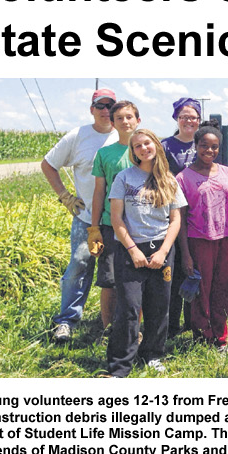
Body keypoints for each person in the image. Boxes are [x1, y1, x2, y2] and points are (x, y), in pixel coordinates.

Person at [106, 129, 185, 377]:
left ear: (156, 146)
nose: (143, 148)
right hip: (131, 251)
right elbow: (117, 219)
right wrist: (132, 250)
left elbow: (175, 220)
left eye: (147, 143)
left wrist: (163, 251)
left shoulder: (169, 181)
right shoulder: (124, 178)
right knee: (129, 307)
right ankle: (120, 363)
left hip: (161, 250)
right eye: (137, 145)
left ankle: (152, 353)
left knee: (159, 306)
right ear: (133, 152)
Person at [42, 86, 118, 342]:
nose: (106, 111)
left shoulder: (125, 135)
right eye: (101, 106)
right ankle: (66, 321)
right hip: (86, 219)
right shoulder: (78, 136)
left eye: (110, 106)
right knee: (79, 267)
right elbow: (48, 164)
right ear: (91, 110)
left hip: (118, 221)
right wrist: (65, 196)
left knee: (115, 273)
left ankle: (113, 320)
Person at [177, 125, 228, 349]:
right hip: (199, 240)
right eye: (204, 145)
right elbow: (181, 219)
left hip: (225, 239)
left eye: (214, 147)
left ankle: (220, 335)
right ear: (196, 146)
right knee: (201, 290)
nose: (209, 150)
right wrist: (185, 254)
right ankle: (202, 336)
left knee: (223, 289)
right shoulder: (183, 178)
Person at [90, 99, 140, 332]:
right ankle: (108, 328)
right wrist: (94, 227)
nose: (125, 121)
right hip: (111, 225)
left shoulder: (148, 150)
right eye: (119, 118)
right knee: (109, 281)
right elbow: (100, 191)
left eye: (129, 117)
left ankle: (135, 329)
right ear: (112, 122)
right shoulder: (105, 154)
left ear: (138, 120)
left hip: (142, 226)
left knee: (140, 279)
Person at [161, 96, 202, 336]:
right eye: (184, 116)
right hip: (173, 215)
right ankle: (172, 324)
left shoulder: (205, 144)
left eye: (193, 117)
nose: (189, 121)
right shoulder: (165, 146)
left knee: (198, 269)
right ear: (176, 118)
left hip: (200, 217)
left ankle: (193, 321)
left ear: (199, 120)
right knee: (176, 270)